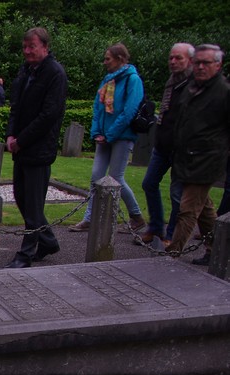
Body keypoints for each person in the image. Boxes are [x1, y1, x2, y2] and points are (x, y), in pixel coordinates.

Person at [3, 28, 67, 268]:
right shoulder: (26, 71)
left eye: (32, 46)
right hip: (22, 147)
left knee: (33, 203)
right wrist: (11, 134)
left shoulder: (54, 74)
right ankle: (48, 240)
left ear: (45, 47)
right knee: (21, 197)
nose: (27, 51)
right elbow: (16, 106)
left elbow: (49, 114)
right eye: (25, 47)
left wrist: (21, 140)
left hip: (38, 148)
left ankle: (26, 253)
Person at [165, 44, 230, 266]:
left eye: (206, 63)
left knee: (188, 208)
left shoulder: (223, 92)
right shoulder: (192, 87)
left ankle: (172, 254)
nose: (200, 67)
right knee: (205, 209)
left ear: (218, 65)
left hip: (207, 159)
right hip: (187, 157)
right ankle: (217, 248)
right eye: (197, 62)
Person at [69, 43, 145, 233]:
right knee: (96, 177)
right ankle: (89, 218)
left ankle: (136, 216)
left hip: (121, 137)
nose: (105, 62)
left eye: (107, 59)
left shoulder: (132, 80)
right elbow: (98, 108)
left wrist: (110, 135)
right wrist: (97, 132)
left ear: (120, 59)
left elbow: (129, 111)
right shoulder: (108, 80)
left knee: (115, 178)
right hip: (104, 136)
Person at [140, 43, 194, 245]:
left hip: (181, 149)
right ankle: (155, 227)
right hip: (162, 146)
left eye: (178, 58)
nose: (173, 61)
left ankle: (171, 236)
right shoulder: (172, 82)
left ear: (190, 60)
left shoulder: (194, 84)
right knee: (149, 183)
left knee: (177, 194)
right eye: (171, 57)